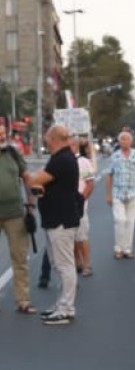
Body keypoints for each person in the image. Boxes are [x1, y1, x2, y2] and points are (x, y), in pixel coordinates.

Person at [29, 125, 80, 325]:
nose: (46, 141)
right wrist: (40, 183)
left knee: (65, 265)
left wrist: (39, 179)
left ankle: (66, 309)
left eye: (47, 138)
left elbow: (37, 179)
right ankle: (61, 305)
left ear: (54, 139)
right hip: (56, 218)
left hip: (62, 219)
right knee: (58, 264)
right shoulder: (60, 157)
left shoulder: (62, 160)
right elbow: (40, 182)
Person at [0, 123, 38, 314]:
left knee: (20, 258)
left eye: (3, 134)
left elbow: (27, 178)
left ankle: (23, 300)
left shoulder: (13, 154)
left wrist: (31, 205)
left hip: (15, 213)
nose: (1, 137)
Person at [105, 131, 135, 259]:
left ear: (131, 142)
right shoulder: (115, 156)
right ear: (119, 141)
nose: (125, 141)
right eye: (122, 139)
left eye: (127, 139)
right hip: (118, 192)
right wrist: (108, 194)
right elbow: (109, 174)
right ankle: (118, 248)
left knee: (130, 222)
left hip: (133, 192)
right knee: (120, 220)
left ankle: (127, 249)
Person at [72, 137, 96, 277]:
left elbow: (90, 184)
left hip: (79, 206)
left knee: (82, 236)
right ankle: (77, 262)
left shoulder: (84, 162)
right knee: (73, 238)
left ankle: (87, 264)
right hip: (66, 206)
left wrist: (81, 200)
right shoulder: (63, 162)